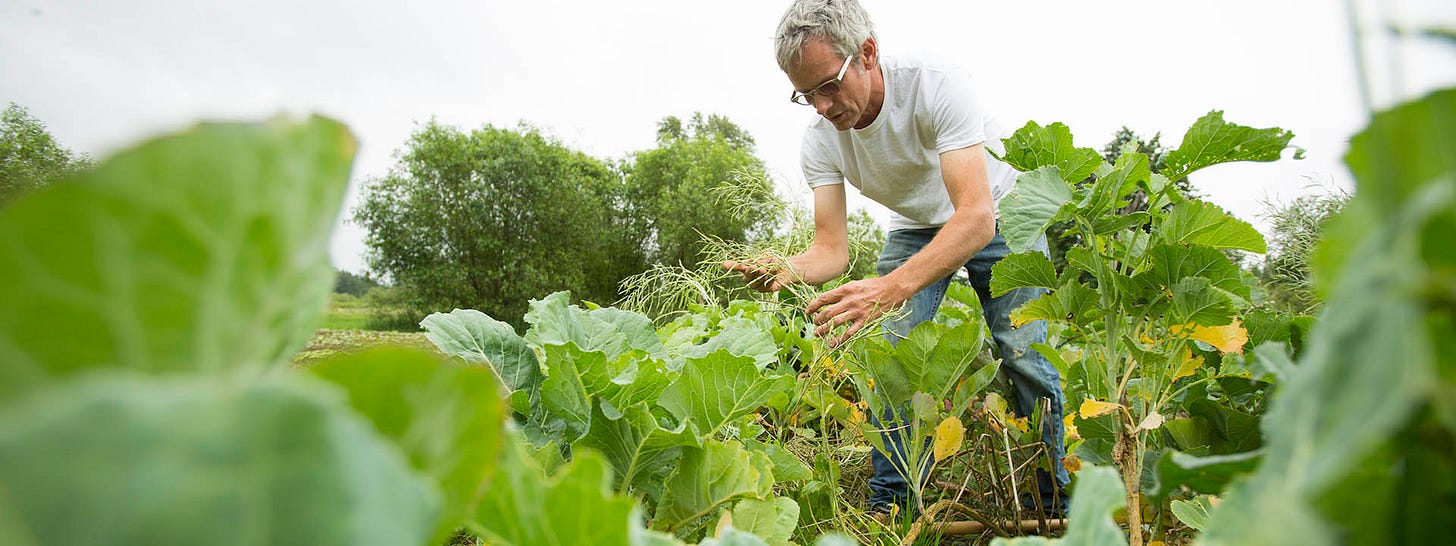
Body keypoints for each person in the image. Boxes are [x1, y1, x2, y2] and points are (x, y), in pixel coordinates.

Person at [725, 0, 1069, 515]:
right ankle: (892, 507)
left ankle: (1052, 502)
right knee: (893, 362)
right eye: (805, 95)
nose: (821, 106)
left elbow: (975, 218)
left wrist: (890, 288)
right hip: (916, 226)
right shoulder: (821, 141)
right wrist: (786, 268)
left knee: (1025, 357)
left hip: (1000, 210)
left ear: (866, 53)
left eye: (828, 86)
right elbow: (831, 251)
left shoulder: (935, 85)